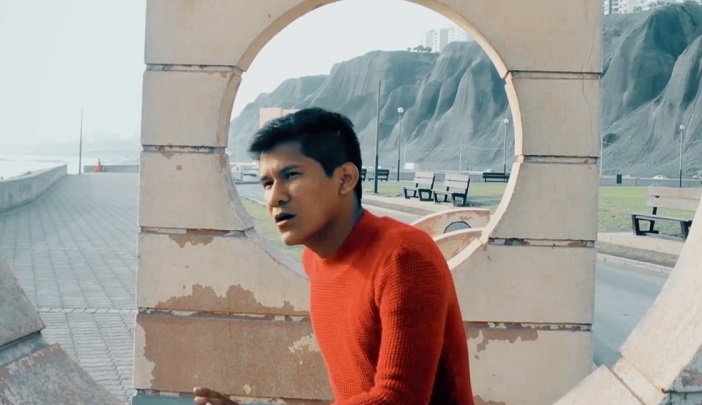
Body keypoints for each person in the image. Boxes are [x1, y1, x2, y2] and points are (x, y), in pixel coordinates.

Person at [194, 107, 474, 405]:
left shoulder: (404, 257)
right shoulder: (314, 259)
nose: (275, 197)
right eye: (267, 183)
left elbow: (398, 398)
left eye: (291, 175)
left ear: (345, 179)